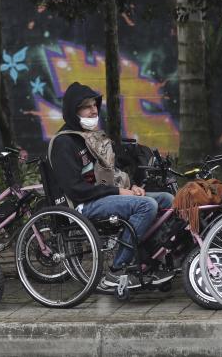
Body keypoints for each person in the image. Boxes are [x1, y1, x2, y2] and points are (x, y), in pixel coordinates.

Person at [47, 82, 174, 286]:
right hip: (82, 205)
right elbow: (76, 190)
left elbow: (110, 173)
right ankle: (118, 269)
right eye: (87, 106)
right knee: (146, 205)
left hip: (104, 197)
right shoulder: (65, 143)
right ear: (73, 110)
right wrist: (118, 191)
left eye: (95, 105)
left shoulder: (90, 138)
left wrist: (131, 186)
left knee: (166, 200)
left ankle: (148, 260)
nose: (94, 110)